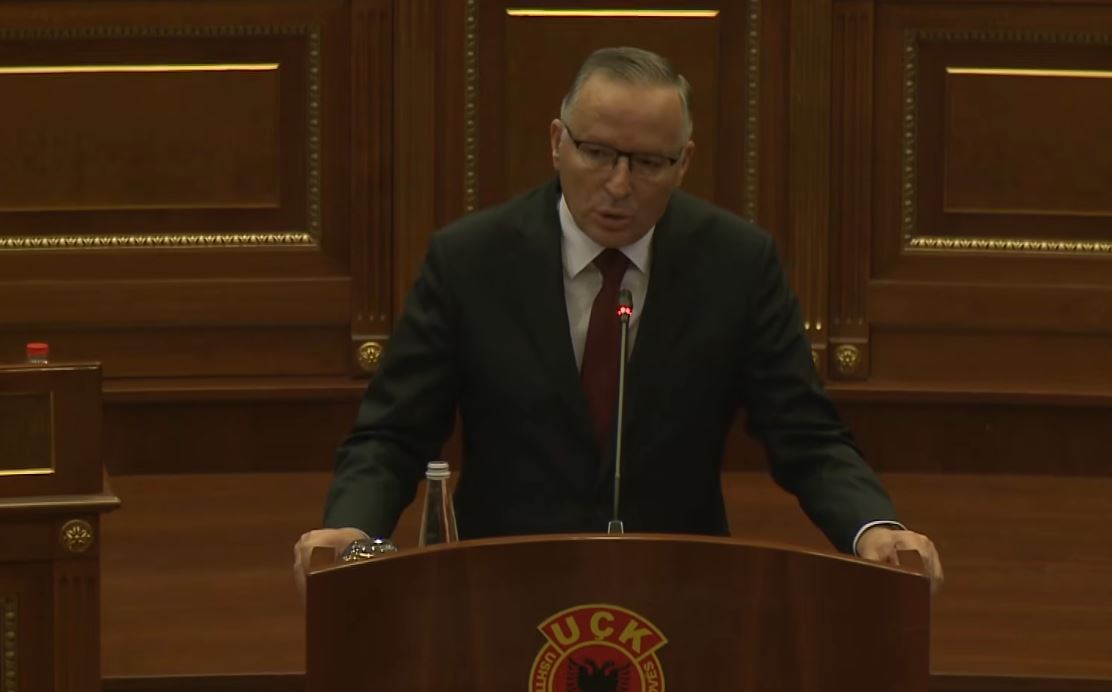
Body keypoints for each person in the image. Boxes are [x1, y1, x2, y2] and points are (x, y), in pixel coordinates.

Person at [294, 46, 942, 593]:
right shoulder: (471, 261)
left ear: (684, 163)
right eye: (598, 153)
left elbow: (805, 433)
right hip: (501, 589)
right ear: (557, 142)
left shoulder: (737, 265)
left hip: (676, 589)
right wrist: (354, 528)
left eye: (648, 163)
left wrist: (873, 527)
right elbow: (393, 433)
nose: (619, 185)